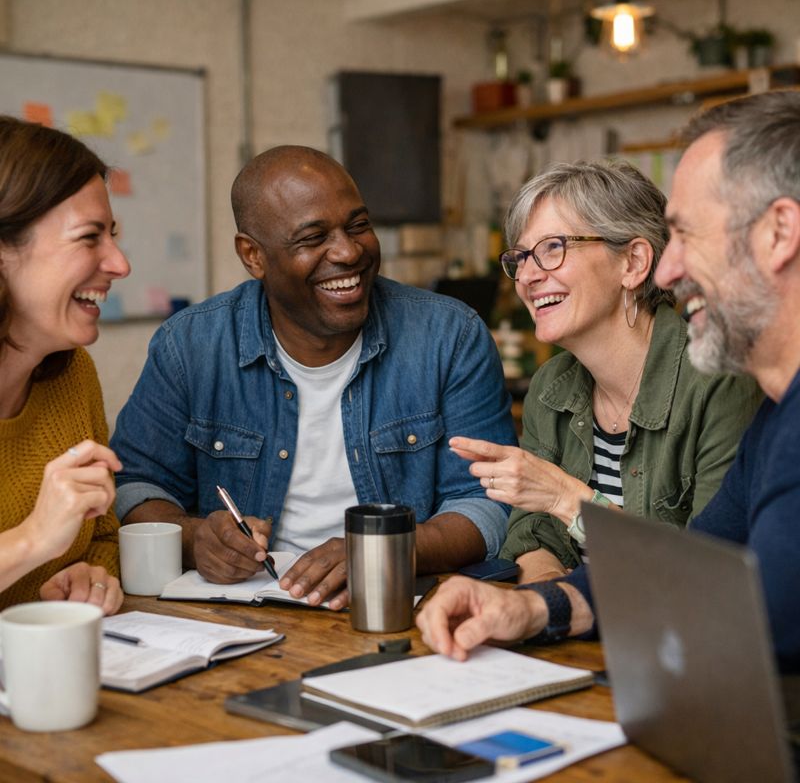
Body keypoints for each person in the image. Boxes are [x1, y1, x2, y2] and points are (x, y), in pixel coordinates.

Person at [417, 90, 800, 674]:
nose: (671, 270)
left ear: (779, 233)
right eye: (520, 257)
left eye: (689, 235)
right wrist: (534, 610)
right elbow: (691, 568)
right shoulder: (779, 418)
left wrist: (567, 499)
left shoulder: (742, 395)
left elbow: (742, 617)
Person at [111, 145, 517, 609]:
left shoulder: (450, 336)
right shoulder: (191, 346)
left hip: (399, 609)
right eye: (312, 238)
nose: (348, 251)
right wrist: (196, 537)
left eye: (359, 226)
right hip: (236, 618)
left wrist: (383, 551)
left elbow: (488, 503)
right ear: (253, 256)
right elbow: (136, 487)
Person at [448, 159, 760, 583]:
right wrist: (547, 605)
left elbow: (710, 570)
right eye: (521, 256)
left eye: (553, 248)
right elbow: (530, 533)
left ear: (632, 262)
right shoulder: (550, 386)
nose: (526, 275)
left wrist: (567, 498)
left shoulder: (719, 383)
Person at [0, 116, 129, 614]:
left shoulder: (72, 374)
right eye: (89, 237)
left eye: (112, 236)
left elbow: (102, 538)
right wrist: (33, 539)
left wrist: (91, 577)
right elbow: (46, 536)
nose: (120, 264)